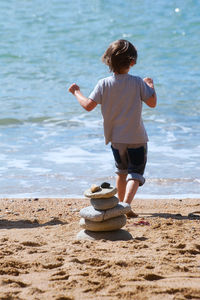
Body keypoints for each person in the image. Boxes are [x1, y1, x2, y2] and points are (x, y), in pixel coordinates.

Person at [68, 39, 157, 217]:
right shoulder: (138, 82)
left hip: (116, 139)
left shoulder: (103, 84)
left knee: (121, 172)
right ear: (132, 62)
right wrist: (150, 86)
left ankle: (121, 207)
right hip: (137, 138)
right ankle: (125, 205)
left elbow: (88, 106)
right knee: (136, 174)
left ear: (108, 61)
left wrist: (76, 92)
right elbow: (152, 103)